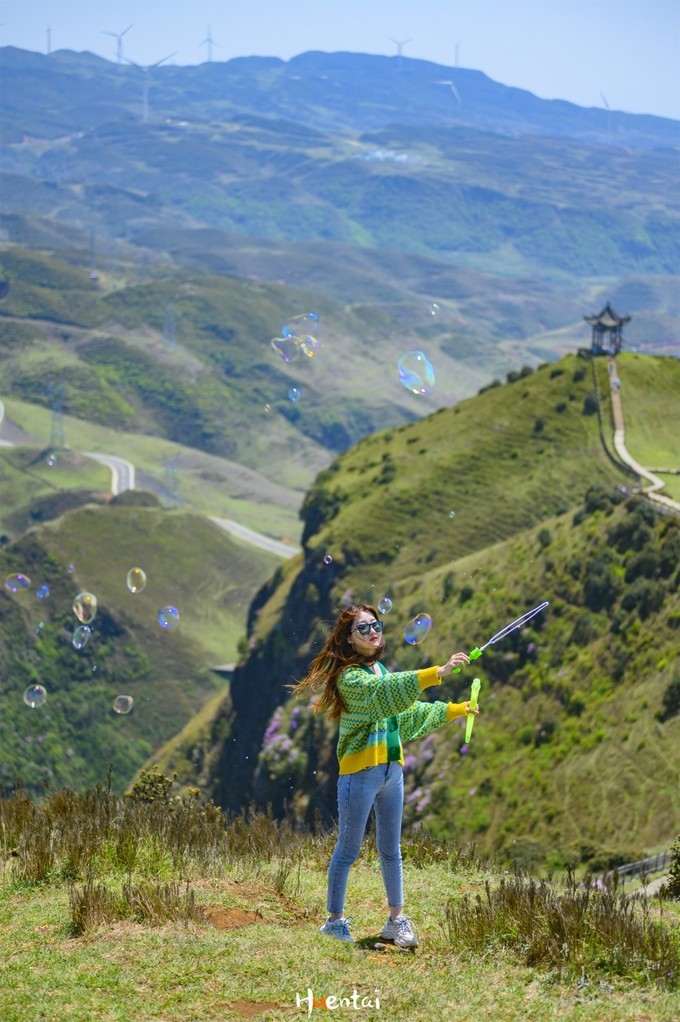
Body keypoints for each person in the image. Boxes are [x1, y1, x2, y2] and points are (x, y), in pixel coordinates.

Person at [291, 602, 478, 948]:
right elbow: (383, 696)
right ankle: (334, 922)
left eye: (375, 625)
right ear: (348, 639)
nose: (373, 631)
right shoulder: (350, 679)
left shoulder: (380, 671)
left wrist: (455, 710)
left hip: (393, 771)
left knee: (391, 849)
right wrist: (438, 671)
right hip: (360, 774)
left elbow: (405, 714)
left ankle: (396, 921)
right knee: (348, 849)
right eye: (363, 628)